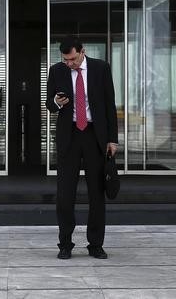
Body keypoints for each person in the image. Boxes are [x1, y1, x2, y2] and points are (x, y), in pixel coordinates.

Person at [45, 36, 118, 260]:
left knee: (96, 193)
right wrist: (57, 102)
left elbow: (109, 104)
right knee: (65, 194)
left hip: (95, 135)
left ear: (82, 52)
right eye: (66, 60)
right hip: (70, 136)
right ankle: (65, 244)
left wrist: (112, 139)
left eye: (73, 59)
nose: (70, 64)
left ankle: (95, 244)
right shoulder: (57, 70)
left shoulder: (100, 68)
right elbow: (49, 104)